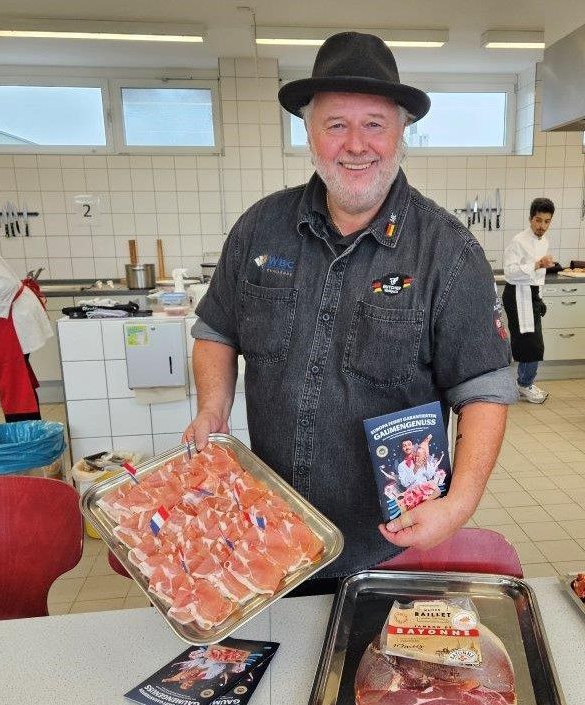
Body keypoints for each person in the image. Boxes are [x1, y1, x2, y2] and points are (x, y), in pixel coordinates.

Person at [183, 31, 517, 593]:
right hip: (277, 530)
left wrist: (459, 503)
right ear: (309, 133)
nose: (356, 144)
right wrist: (212, 409)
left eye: (374, 124)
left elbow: (484, 388)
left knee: (378, 679)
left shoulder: (449, 253)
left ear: (402, 131)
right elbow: (217, 327)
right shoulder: (260, 229)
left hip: (392, 543)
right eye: (336, 124)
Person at [0, 240, 52, 421]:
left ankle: (25, 441)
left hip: (9, 319)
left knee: (15, 386)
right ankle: (30, 435)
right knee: (18, 385)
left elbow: (5, 284)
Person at [502, 198, 556, 404]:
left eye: (547, 222)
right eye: (538, 220)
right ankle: (524, 384)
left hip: (532, 294)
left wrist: (540, 298)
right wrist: (537, 263)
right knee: (530, 344)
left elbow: (539, 276)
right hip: (518, 295)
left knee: (533, 344)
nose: (542, 226)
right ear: (530, 218)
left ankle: (524, 382)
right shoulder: (518, 241)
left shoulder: (544, 241)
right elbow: (510, 272)